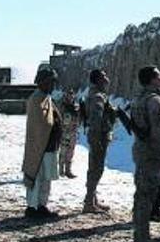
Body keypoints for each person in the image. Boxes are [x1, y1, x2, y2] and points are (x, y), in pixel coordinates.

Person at [131, 66, 160, 242]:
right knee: (147, 196)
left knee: (141, 194)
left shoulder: (138, 99)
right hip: (152, 153)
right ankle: (142, 236)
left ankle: (139, 233)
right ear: (153, 79)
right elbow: (159, 130)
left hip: (141, 151)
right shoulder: (155, 101)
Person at [22, 68, 62, 220]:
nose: (53, 85)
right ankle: (32, 207)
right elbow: (40, 125)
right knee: (37, 177)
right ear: (44, 82)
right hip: (39, 147)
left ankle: (42, 205)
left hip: (49, 146)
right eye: (51, 82)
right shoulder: (35, 99)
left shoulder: (47, 98)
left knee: (46, 179)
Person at [84, 69, 118, 213]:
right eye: (103, 77)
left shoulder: (97, 94)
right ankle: (88, 202)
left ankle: (92, 200)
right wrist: (97, 138)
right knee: (96, 169)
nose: (107, 79)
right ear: (98, 80)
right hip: (99, 136)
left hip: (98, 136)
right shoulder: (98, 96)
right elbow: (96, 119)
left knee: (95, 167)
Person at [57, 88, 80, 179]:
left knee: (70, 152)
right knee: (63, 152)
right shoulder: (62, 106)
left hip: (73, 132)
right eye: (69, 94)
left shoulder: (75, 106)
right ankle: (61, 170)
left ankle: (68, 170)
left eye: (72, 94)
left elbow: (78, 119)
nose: (71, 96)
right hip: (64, 132)